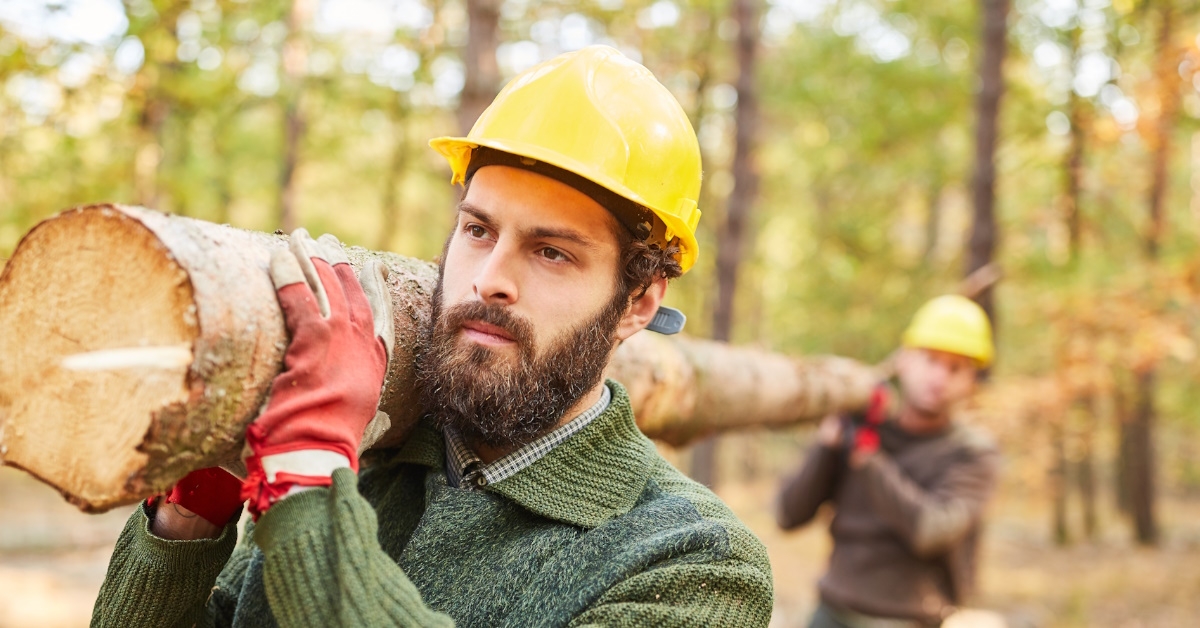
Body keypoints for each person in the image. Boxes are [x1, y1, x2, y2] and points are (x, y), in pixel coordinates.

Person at [91, 46, 773, 627]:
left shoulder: (694, 560)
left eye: (551, 252)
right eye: (478, 230)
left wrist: (307, 486)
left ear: (638, 302)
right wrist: (189, 520)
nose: (489, 280)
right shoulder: (365, 455)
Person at [776, 295, 1000, 628]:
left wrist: (869, 460)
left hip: (908, 618)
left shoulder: (971, 454)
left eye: (955, 368)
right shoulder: (864, 427)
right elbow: (789, 514)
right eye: (930, 360)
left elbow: (932, 531)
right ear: (904, 360)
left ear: (971, 381)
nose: (939, 377)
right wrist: (827, 445)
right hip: (831, 612)